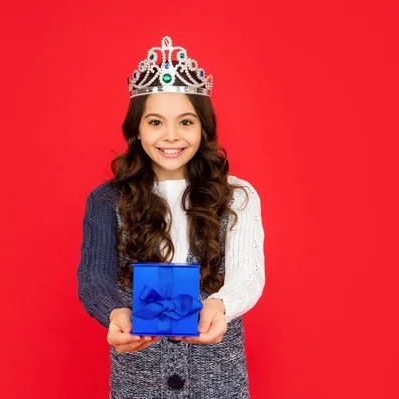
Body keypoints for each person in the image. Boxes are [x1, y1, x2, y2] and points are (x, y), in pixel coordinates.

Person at [77, 36, 265, 399]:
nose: (171, 136)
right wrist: (115, 314)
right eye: (155, 122)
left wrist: (220, 305)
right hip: (140, 380)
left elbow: (248, 274)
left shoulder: (238, 196)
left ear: (203, 128)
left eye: (185, 122)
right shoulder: (106, 199)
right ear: (137, 129)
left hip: (217, 378)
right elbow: (94, 278)